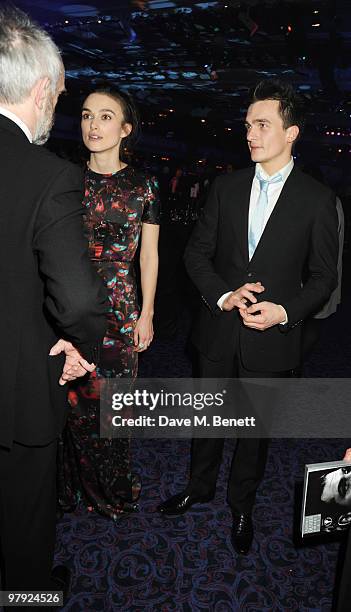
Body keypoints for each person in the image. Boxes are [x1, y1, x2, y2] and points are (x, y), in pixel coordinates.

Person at [158, 79, 339, 555]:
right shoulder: (226, 187)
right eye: (247, 125)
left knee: (254, 435)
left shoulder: (319, 200)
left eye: (262, 125)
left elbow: (324, 278)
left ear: (292, 132)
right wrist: (222, 295)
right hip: (218, 331)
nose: (251, 134)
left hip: (273, 340)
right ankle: (200, 487)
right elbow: (196, 256)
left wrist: (284, 311)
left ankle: (243, 505)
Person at [0, 5, 107, 602]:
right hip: (16, 394)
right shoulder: (49, 175)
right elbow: (79, 301)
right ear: (41, 90)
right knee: (25, 524)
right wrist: (75, 347)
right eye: (62, 95)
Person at [58, 87, 160, 519]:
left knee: (114, 409)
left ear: (125, 129)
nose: (92, 125)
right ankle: (75, 490)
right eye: (86, 116)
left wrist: (147, 313)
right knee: (75, 408)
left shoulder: (144, 185)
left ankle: (113, 492)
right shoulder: (65, 181)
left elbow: (150, 255)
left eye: (104, 116)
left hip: (121, 308)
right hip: (72, 305)